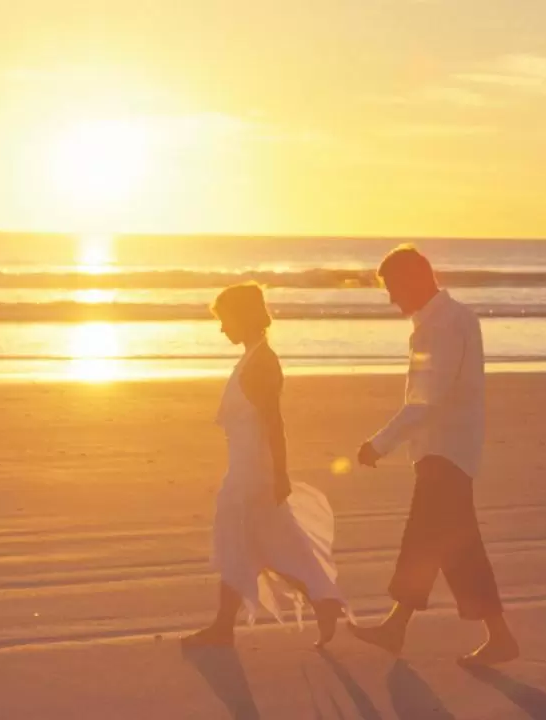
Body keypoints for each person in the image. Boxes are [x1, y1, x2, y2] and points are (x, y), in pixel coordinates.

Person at [349, 245, 519, 666]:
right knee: (446, 545)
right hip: (452, 450)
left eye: (393, 287)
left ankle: (402, 628)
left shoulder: (441, 326)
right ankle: (408, 627)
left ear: (416, 279)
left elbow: (426, 401)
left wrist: (379, 444)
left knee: (434, 542)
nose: (391, 298)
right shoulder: (453, 318)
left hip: (444, 452)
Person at [182, 282, 345, 648]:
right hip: (247, 465)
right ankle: (323, 601)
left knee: (240, 544)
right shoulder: (254, 356)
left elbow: (274, 422)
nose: (222, 328)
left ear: (242, 317)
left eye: (225, 320)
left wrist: (280, 473)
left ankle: (225, 627)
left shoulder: (261, 363)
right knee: (262, 546)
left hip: (252, 470)